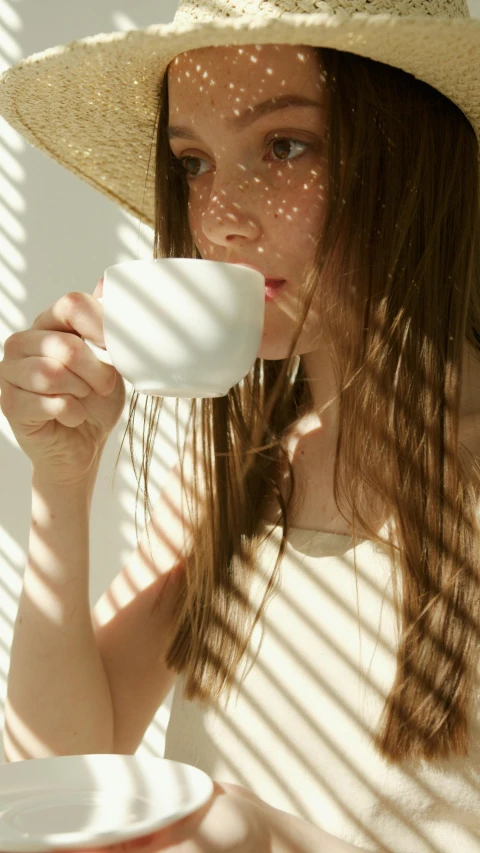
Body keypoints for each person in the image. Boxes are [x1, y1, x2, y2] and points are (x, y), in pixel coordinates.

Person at [0, 0, 480, 851]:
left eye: (284, 146)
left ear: (415, 158)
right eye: (192, 161)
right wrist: (61, 483)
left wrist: (267, 837)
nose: (219, 214)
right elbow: (64, 765)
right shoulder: (241, 461)